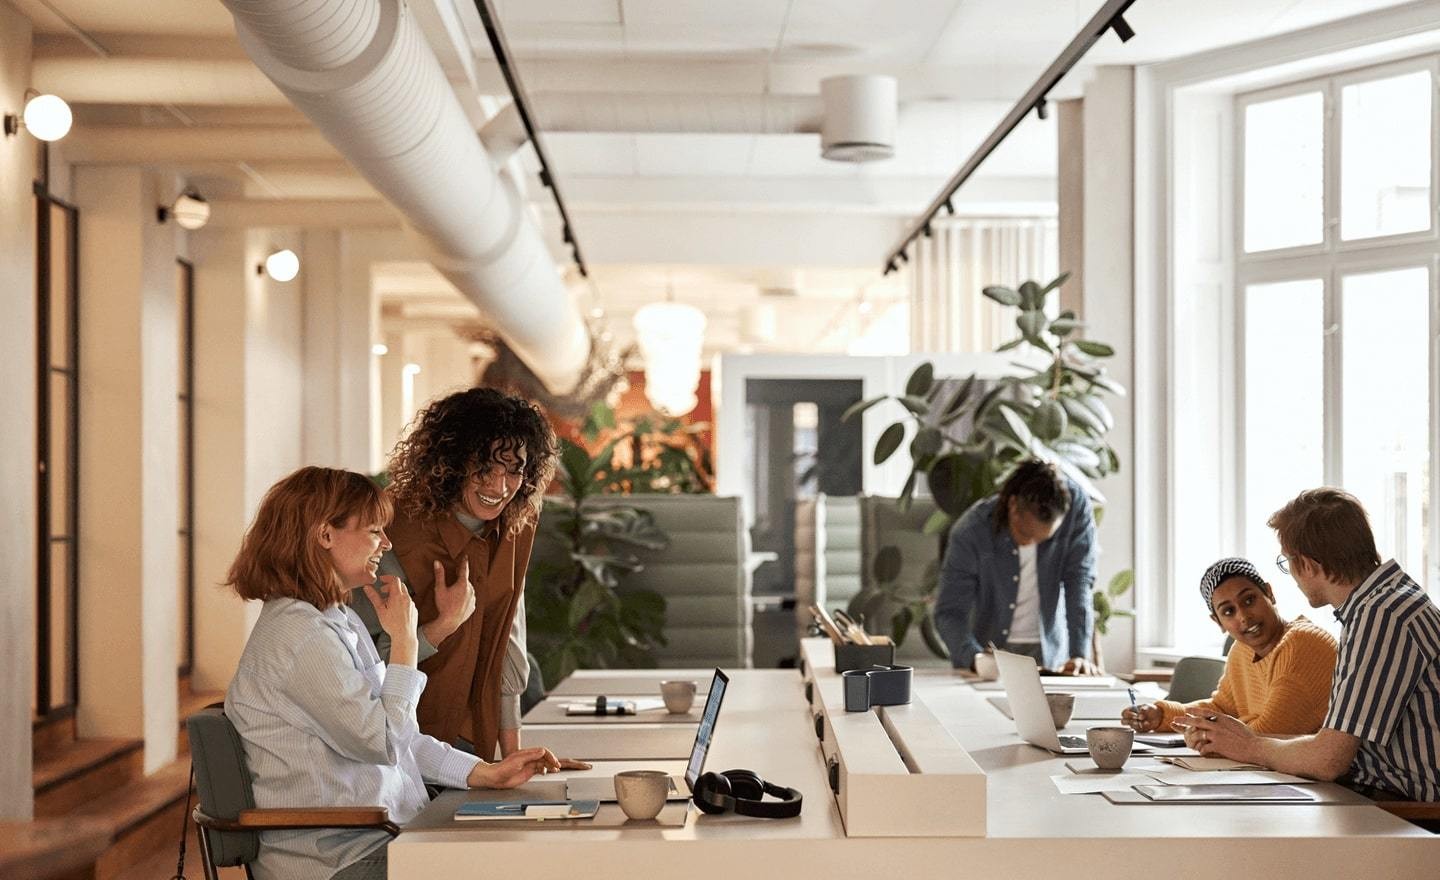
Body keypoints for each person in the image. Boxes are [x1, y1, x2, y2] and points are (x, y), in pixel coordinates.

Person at [224, 467, 560, 880]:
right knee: (519, 865)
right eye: (373, 531)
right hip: (338, 860)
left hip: (379, 838)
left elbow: (400, 739)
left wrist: (484, 772)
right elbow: (383, 741)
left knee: (526, 852)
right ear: (325, 535)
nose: (386, 543)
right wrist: (404, 642)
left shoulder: (334, 620)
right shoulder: (302, 635)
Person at [351, 387, 581, 765]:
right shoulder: (390, 526)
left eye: (513, 470)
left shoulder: (515, 525)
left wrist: (515, 756)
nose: (499, 486)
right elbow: (368, 660)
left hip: (476, 743)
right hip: (406, 745)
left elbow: (508, 639)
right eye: (484, 468)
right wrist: (445, 623)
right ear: (452, 461)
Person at [1183, 488, 1440, 802]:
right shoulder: (1386, 600)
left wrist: (1248, 746)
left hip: (1407, 810)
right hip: (1378, 796)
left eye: (1287, 562)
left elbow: (1328, 760)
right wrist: (1236, 739)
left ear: (1308, 565)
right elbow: (1333, 744)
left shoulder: (1380, 615)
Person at [1122, 557, 1336, 737]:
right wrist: (1162, 716)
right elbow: (1222, 710)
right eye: (1228, 611)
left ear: (1269, 593)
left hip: (1325, 784)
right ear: (1218, 622)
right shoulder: (1242, 651)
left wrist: (1210, 733)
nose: (1243, 616)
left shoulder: (1303, 643)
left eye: (1249, 600)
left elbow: (1265, 736)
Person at [934, 458, 1100, 676]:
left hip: (1051, 656)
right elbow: (950, 612)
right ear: (1013, 507)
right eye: (1026, 535)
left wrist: (1079, 653)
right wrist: (974, 657)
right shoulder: (971, 532)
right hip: (989, 656)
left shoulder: (1076, 510)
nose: (1032, 544)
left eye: (1044, 540)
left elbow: (1079, 580)